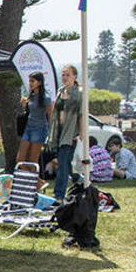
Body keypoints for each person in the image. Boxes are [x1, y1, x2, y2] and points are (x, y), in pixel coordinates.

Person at [48, 65, 83, 197]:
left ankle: (59, 194)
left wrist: (80, 134)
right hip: (59, 131)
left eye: (68, 75)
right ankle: (78, 180)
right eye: (63, 74)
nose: (65, 77)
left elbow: (81, 114)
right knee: (65, 162)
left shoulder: (78, 92)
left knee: (62, 163)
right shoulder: (60, 91)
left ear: (74, 76)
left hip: (70, 132)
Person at [16, 72, 51, 167]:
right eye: (29, 81)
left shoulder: (45, 98)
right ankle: (39, 181)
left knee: (32, 160)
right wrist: (25, 105)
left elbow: (50, 116)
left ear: (39, 82)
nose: (30, 83)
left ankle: (36, 181)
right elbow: (30, 111)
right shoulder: (31, 96)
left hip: (39, 129)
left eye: (33, 81)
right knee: (20, 159)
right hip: (28, 127)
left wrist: (51, 134)